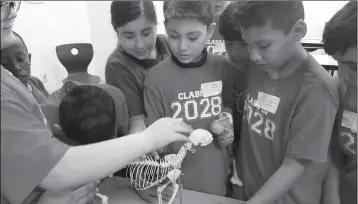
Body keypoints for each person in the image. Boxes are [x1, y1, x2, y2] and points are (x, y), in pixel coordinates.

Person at [0, 1, 193, 203]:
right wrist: (147, 142)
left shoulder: (8, 80)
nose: (12, 12)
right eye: (3, 4)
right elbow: (50, 167)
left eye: (12, 3)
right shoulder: (118, 69)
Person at [230, 1, 339, 203]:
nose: (253, 56)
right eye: (248, 44)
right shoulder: (258, 67)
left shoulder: (318, 90)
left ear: (297, 31)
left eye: (263, 45)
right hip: (245, 193)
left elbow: (295, 164)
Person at [143, 1, 236, 199]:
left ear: (210, 31)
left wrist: (227, 125)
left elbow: (227, 105)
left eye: (193, 37)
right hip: (174, 184)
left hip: (216, 177)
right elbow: (155, 138)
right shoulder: (156, 77)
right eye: (174, 36)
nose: (182, 46)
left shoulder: (222, 67)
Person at [105, 1, 171, 135]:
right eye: (129, 36)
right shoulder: (117, 66)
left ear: (157, 26)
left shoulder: (167, 44)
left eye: (146, 33)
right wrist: (141, 142)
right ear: (116, 32)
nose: (140, 45)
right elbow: (137, 120)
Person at [321, 2, 357, 204]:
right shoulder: (340, 92)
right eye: (339, 63)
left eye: (354, 68)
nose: (343, 77)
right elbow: (335, 153)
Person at [1, 31, 49, 104]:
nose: (16, 68)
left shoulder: (35, 82)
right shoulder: (7, 101)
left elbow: (51, 106)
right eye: (5, 64)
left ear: (29, 59)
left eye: (20, 59)